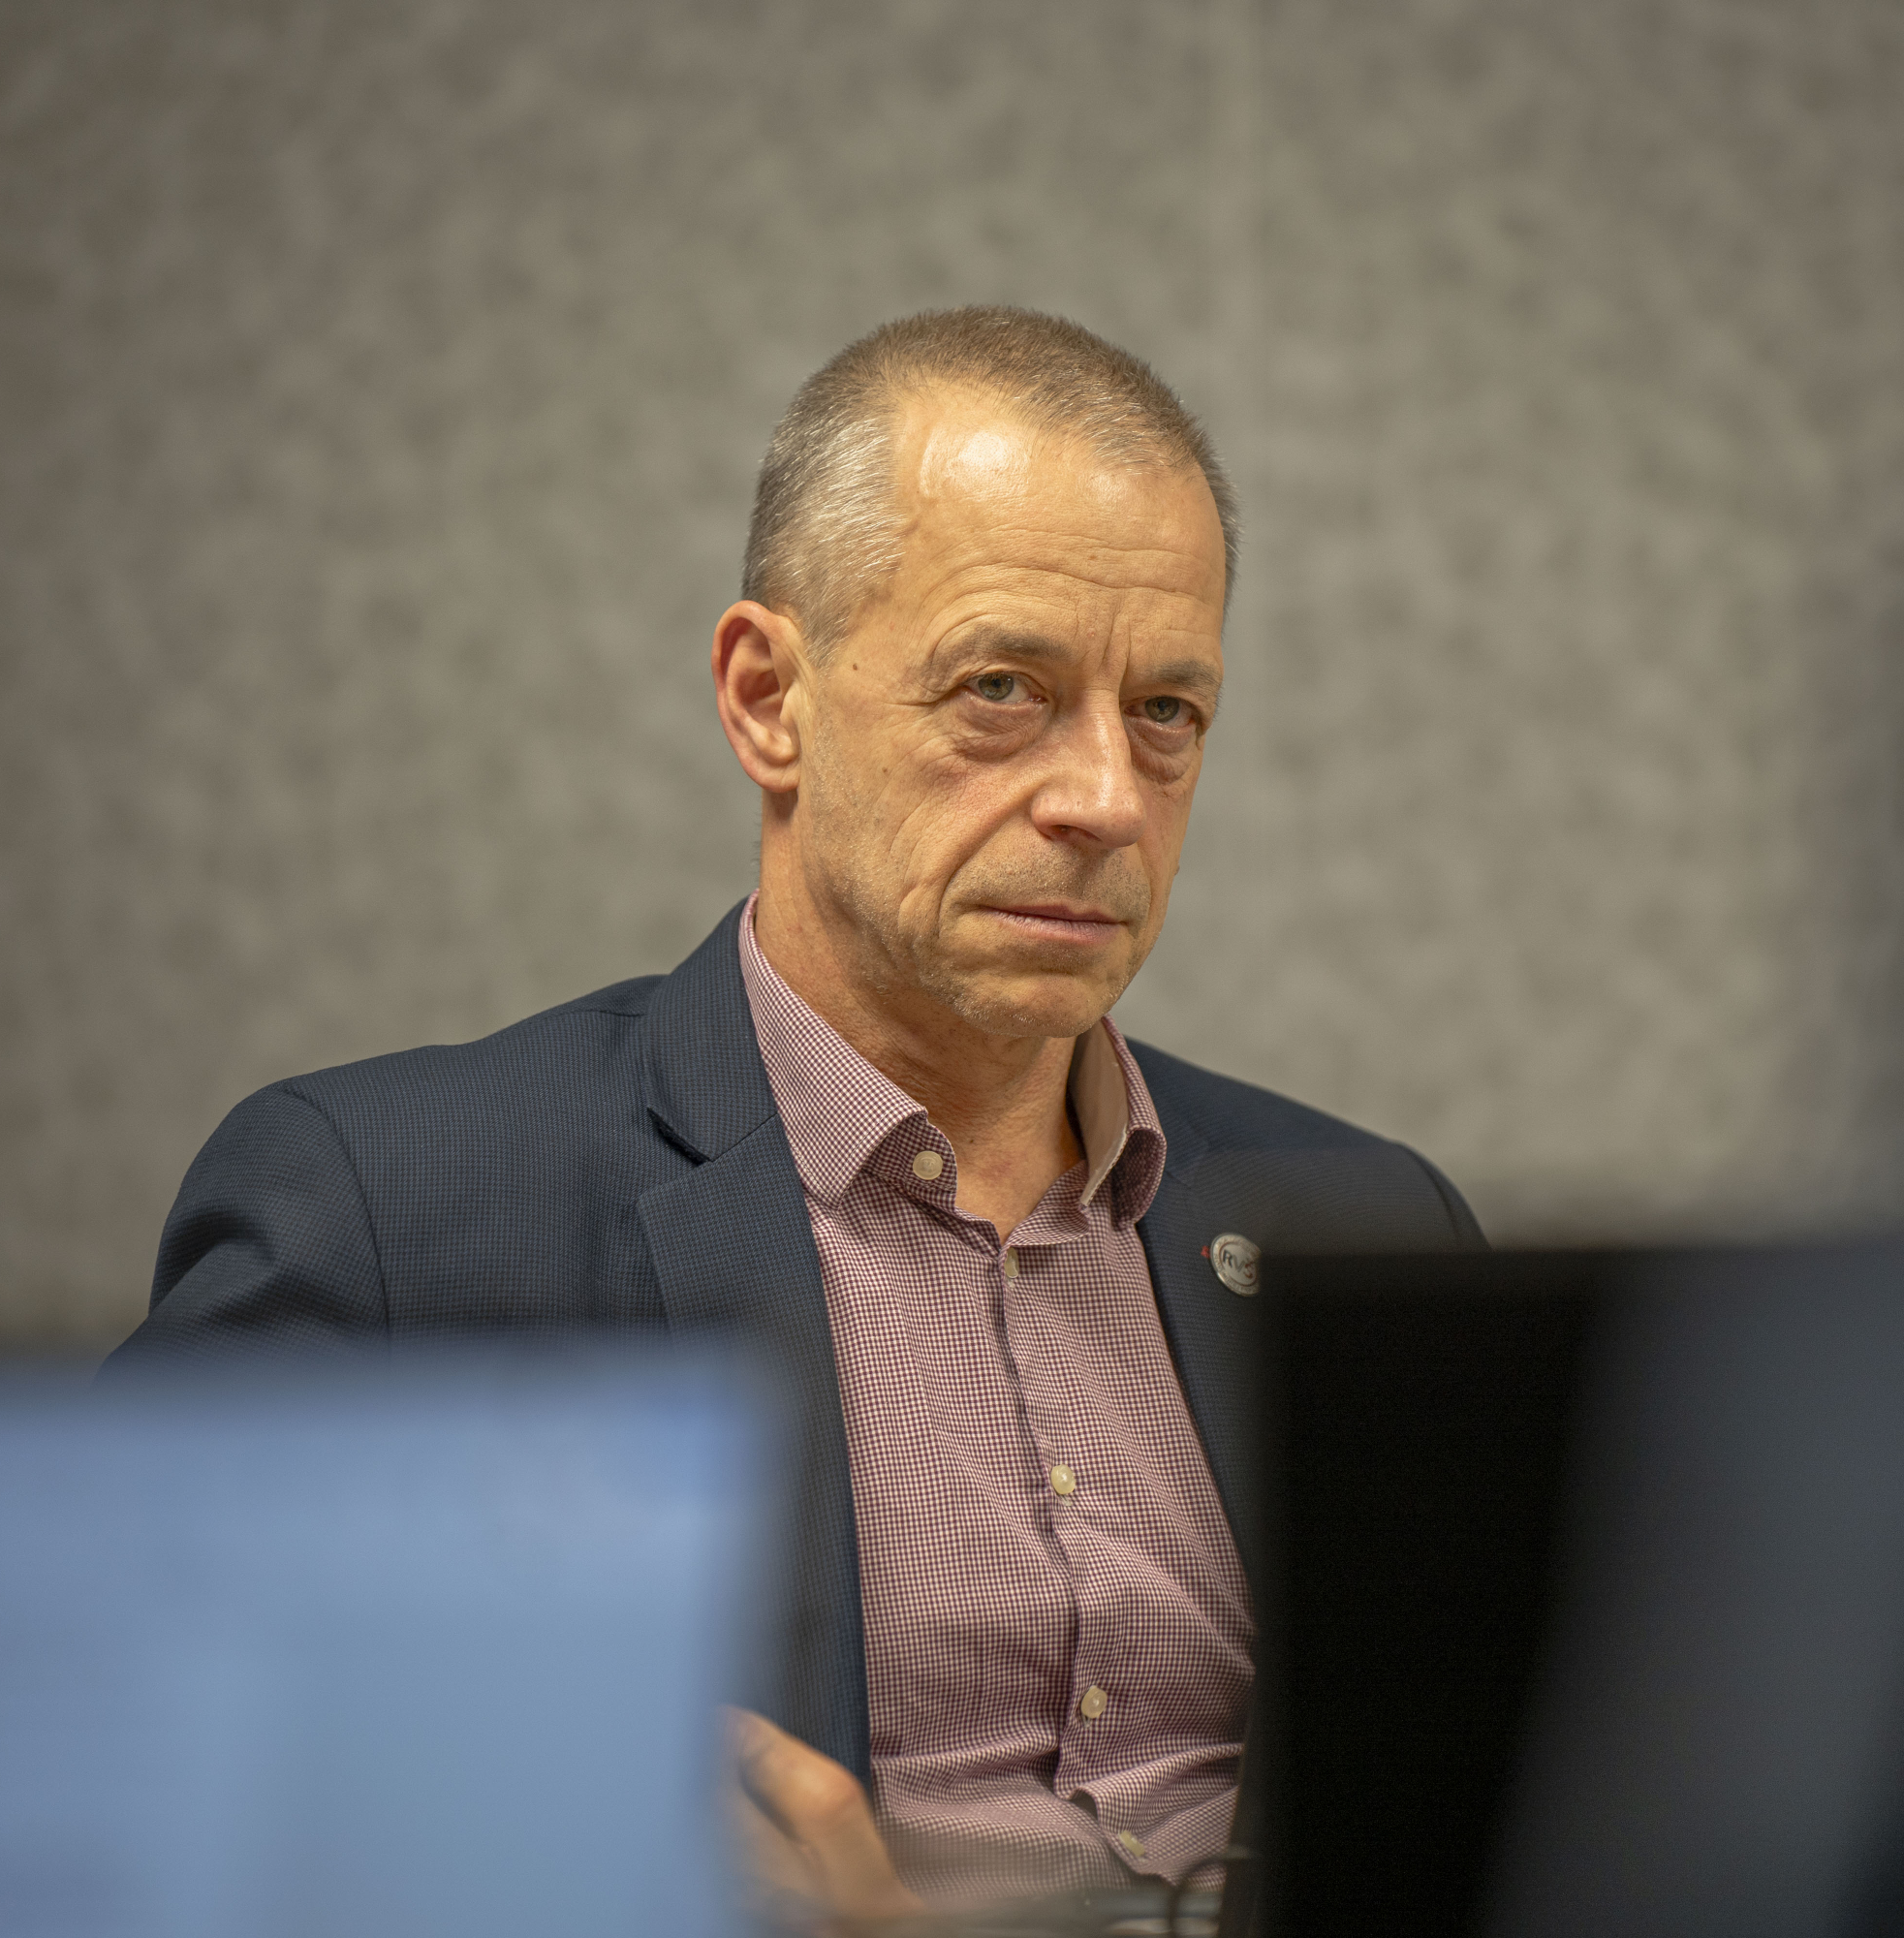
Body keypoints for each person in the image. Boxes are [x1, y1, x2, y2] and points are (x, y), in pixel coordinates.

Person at [109, 307, 1483, 1922]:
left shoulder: (1370, 1223)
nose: (1107, 798)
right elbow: (127, 1771)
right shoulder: (391, 1213)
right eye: (1002, 689)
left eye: (1167, 713)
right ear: (770, 697)